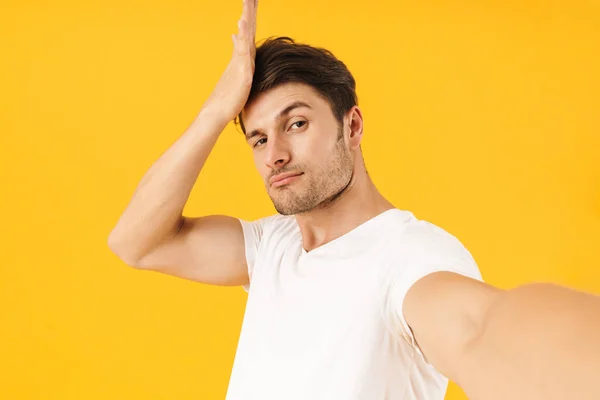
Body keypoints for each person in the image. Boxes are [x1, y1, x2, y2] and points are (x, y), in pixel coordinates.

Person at [108, 1, 600, 399]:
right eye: (258, 139)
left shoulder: (411, 256)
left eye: (295, 123)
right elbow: (137, 243)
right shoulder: (270, 246)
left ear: (353, 125)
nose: (275, 155)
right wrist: (216, 111)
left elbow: (479, 328)